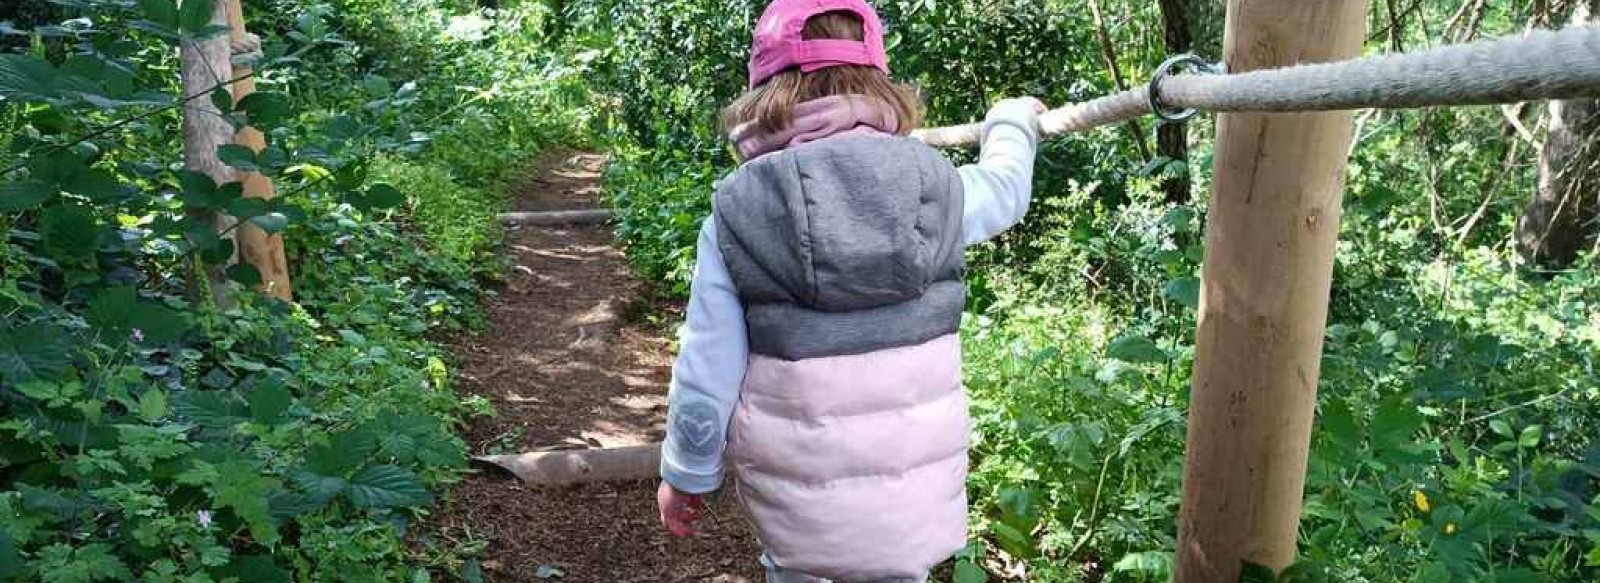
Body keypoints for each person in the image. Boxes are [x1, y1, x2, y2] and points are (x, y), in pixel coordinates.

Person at [656, 0, 1042, 581]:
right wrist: (1011, 121)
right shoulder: (932, 184)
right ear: (877, 78)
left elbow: (708, 362)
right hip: (911, 496)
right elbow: (1005, 188)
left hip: (797, 501)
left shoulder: (738, 209)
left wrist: (687, 472)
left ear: (764, 88)